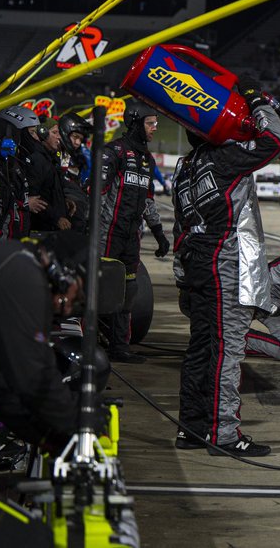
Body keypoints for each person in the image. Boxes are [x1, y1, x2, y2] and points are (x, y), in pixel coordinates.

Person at [172, 78, 280, 456]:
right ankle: (224, 434)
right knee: (227, 350)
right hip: (226, 265)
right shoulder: (225, 158)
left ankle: (190, 428)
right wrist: (257, 101)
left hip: (196, 263)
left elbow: (178, 227)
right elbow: (276, 140)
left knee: (201, 349)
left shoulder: (183, 168)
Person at [0, 231, 102, 470]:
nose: (72, 307)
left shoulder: (21, 265)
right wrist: (79, 421)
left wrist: (51, 440)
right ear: (64, 274)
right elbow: (32, 377)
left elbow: (3, 390)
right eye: (79, 293)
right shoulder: (24, 276)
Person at [96, 100, 171, 364]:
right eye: (150, 123)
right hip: (107, 235)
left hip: (131, 238)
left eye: (155, 124)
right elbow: (98, 194)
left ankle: (119, 347)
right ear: (136, 122)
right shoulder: (114, 151)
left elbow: (148, 200)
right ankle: (86, 342)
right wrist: (91, 229)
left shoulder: (146, 159)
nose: (154, 129)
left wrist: (159, 232)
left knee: (128, 292)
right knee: (99, 288)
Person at [26, 118, 72, 233]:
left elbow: (50, 189)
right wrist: (56, 218)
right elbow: (35, 199)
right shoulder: (38, 159)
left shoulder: (49, 158)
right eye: (55, 133)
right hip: (42, 228)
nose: (59, 137)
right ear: (43, 133)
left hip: (49, 226)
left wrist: (64, 200)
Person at [57, 113, 92, 234]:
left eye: (80, 139)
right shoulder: (54, 154)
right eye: (75, 137)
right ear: (65, 133)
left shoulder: (73, 157)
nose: (77, 143)